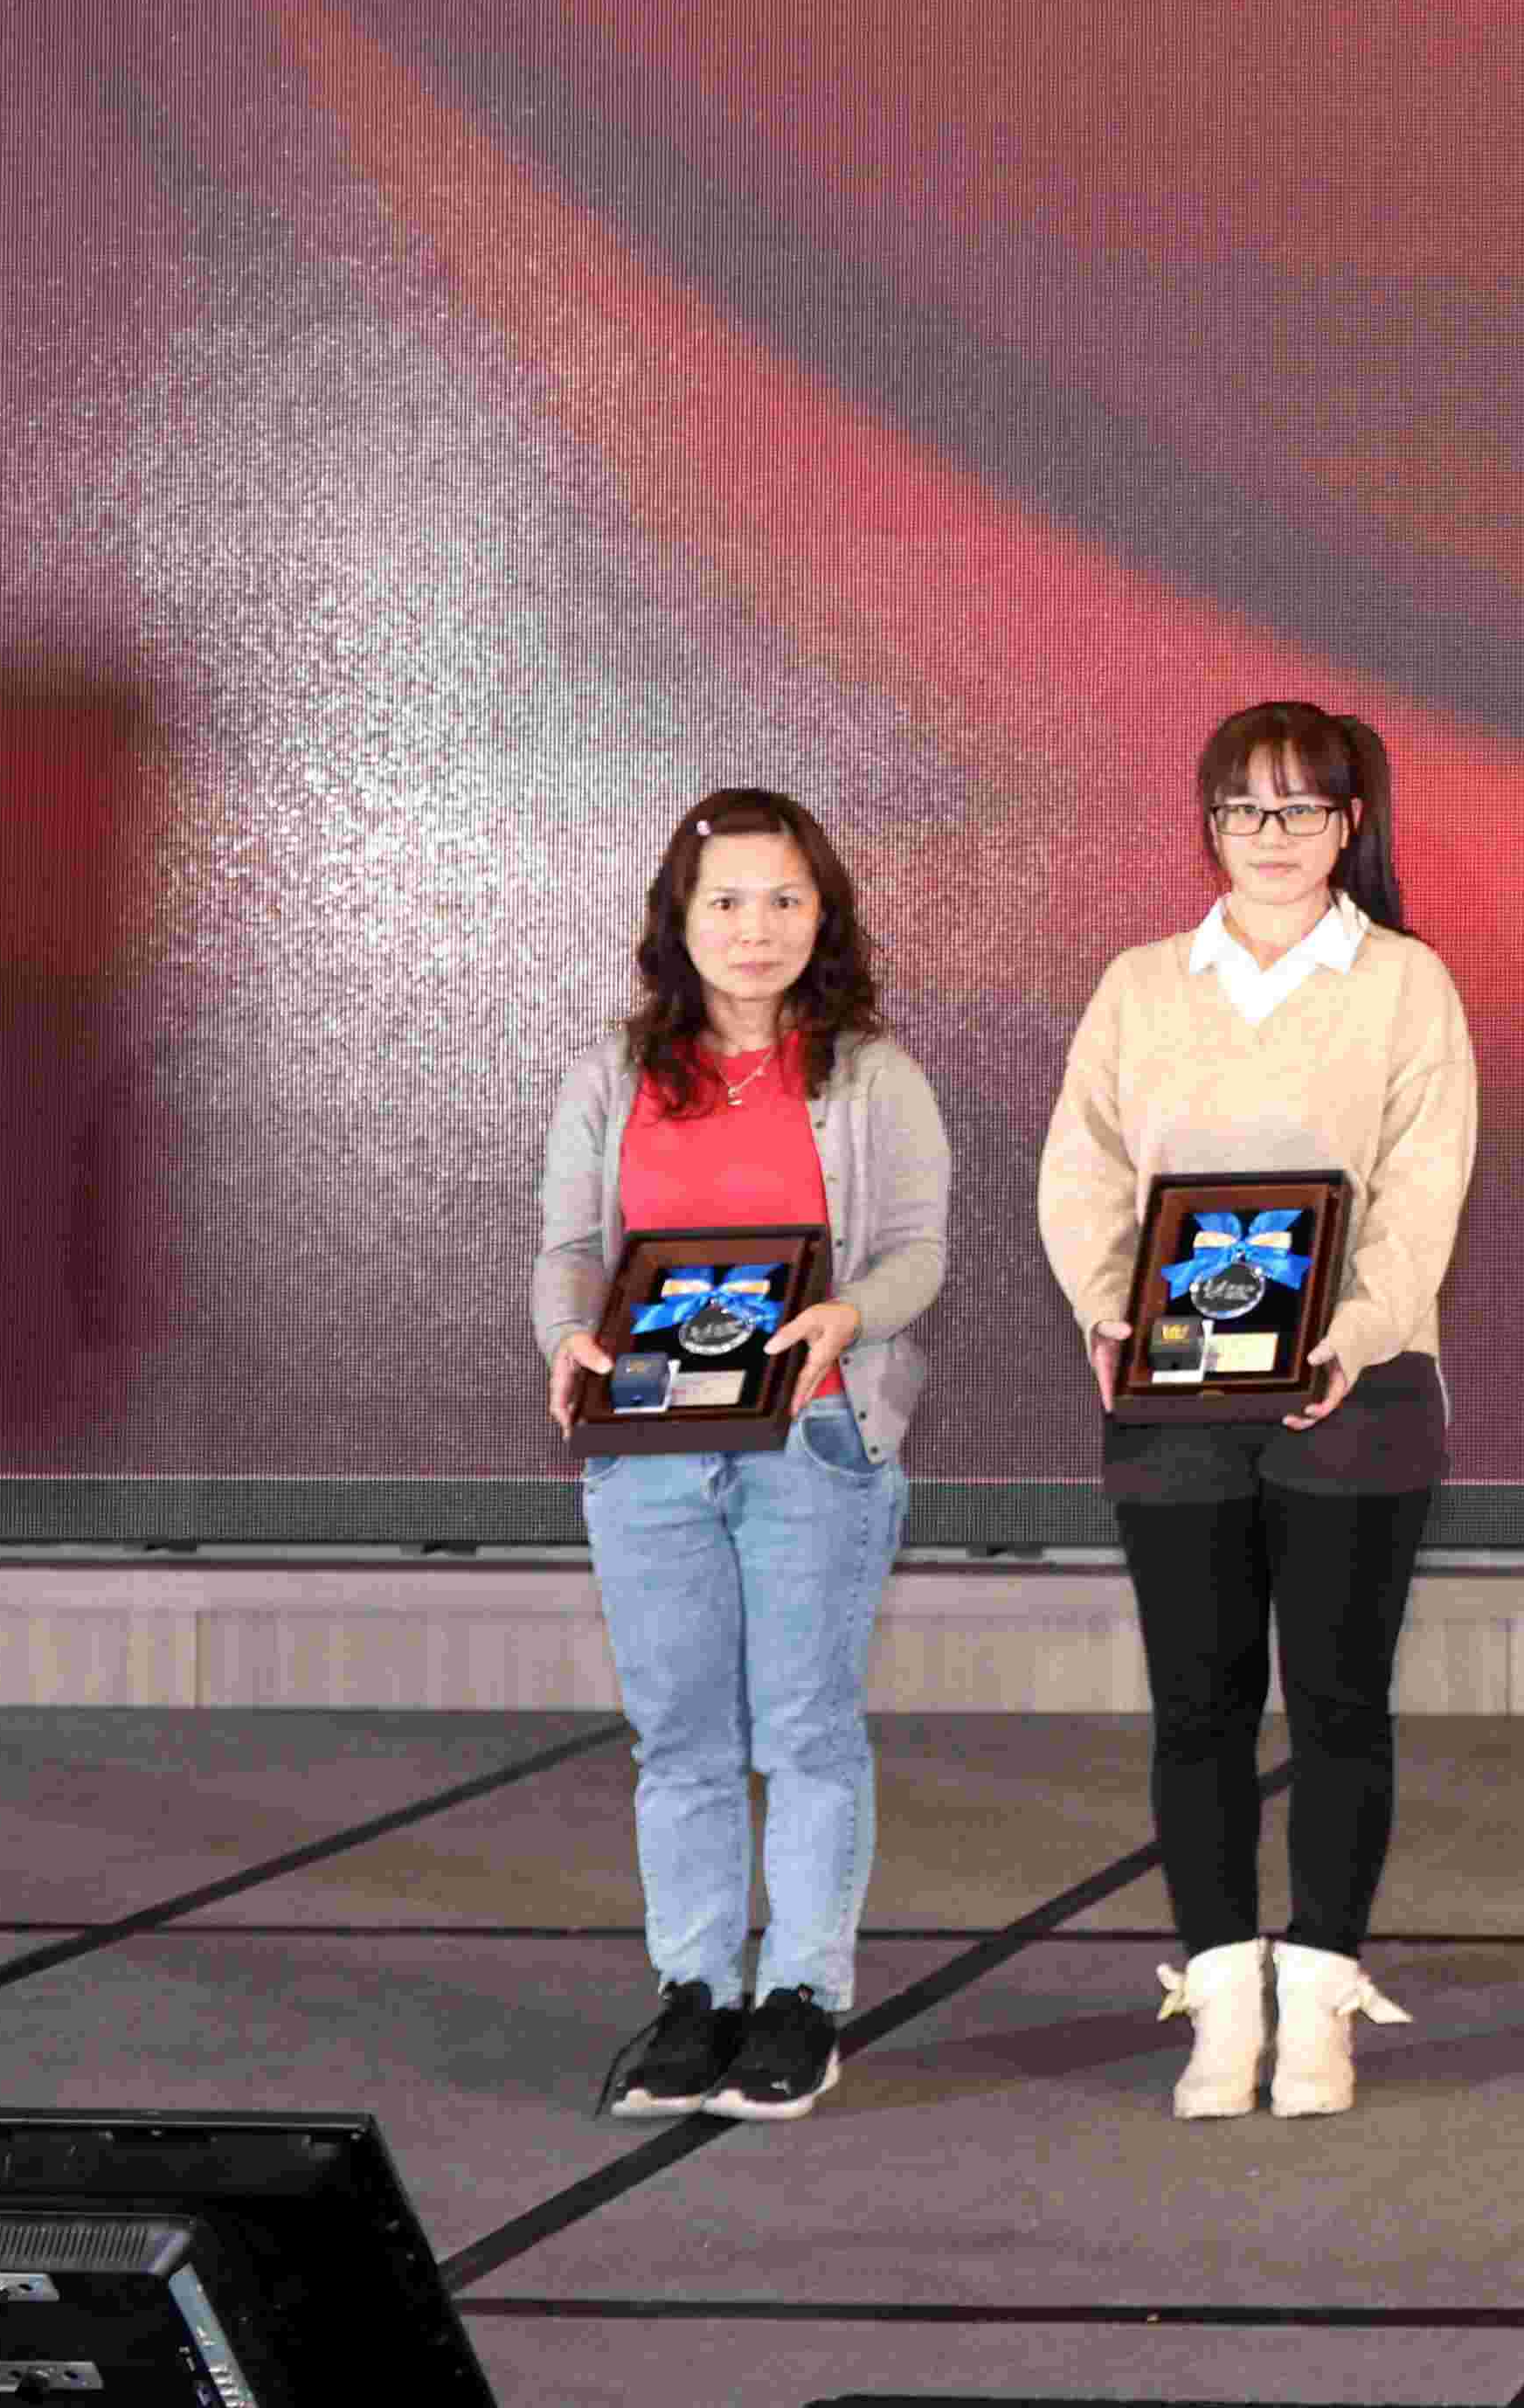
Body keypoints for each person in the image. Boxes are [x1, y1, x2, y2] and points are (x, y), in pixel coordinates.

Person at [1038, 701, 1480, 2121]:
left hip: (1360, 1391)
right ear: (1210, 824)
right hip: (1173, 1400)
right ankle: (1221, 2001)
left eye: (1301, 808)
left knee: (1340, 1707)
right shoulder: (1140, 986)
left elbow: (1423, 1188)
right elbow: (1082, 1173)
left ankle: (1323, 1998)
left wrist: (1352, 1334)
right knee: (1198, 1709)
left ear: (1349, 824)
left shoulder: (1406, 983)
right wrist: (1107, 1311)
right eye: (1244, 808)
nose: (1271, 835)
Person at [533, 786, 951, 2125]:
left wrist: (850, 1315)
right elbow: (569, 1252)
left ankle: (801, 2000)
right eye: (726, 901)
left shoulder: (873, 1075)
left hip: (815, 1439)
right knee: (680, 1737)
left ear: (823, 916)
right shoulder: (609, 1074)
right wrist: (566, 1335)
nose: (754, 927)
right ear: (681, 918)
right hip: (648, 1452)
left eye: (784, 899)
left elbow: (917, 1252)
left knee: (807, 1728)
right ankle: (695, 1992)